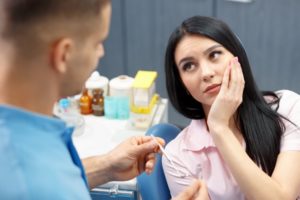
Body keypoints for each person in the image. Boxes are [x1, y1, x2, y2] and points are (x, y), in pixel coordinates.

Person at [0, 0, 208, 199]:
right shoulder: (26, 181)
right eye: (97, 42)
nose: (101, 52)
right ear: (64, 54)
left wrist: (106, 166)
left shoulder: (28, 137)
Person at [163, 15, 300, 200]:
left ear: (237, 56)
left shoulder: (287, 107)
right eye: (189, 66)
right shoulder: (177, 157)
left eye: (214, 55)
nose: (206, 73)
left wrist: (219, 128)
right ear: (182, 83)